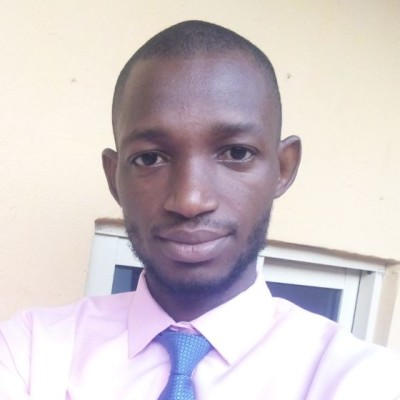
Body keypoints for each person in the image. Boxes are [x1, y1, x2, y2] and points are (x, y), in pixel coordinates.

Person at [0, 20, 399, 400]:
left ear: (283, 168)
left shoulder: (360, 379)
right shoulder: (31, 351)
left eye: (236, 153)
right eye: (150, 158)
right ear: (114, 177)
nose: (189, 201)